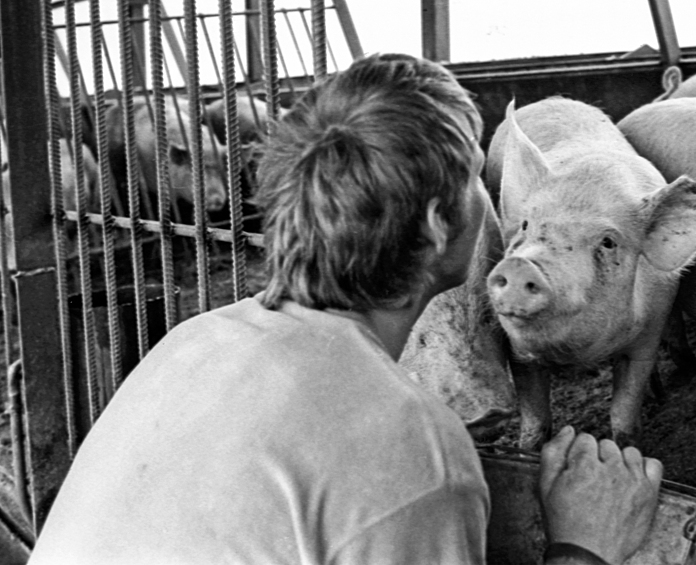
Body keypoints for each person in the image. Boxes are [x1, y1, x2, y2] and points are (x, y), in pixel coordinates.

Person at [27, 53, 662, 565]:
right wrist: (584, 548)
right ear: (442, 223)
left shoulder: (194, 340)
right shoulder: (411, 450)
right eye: (475, 176)